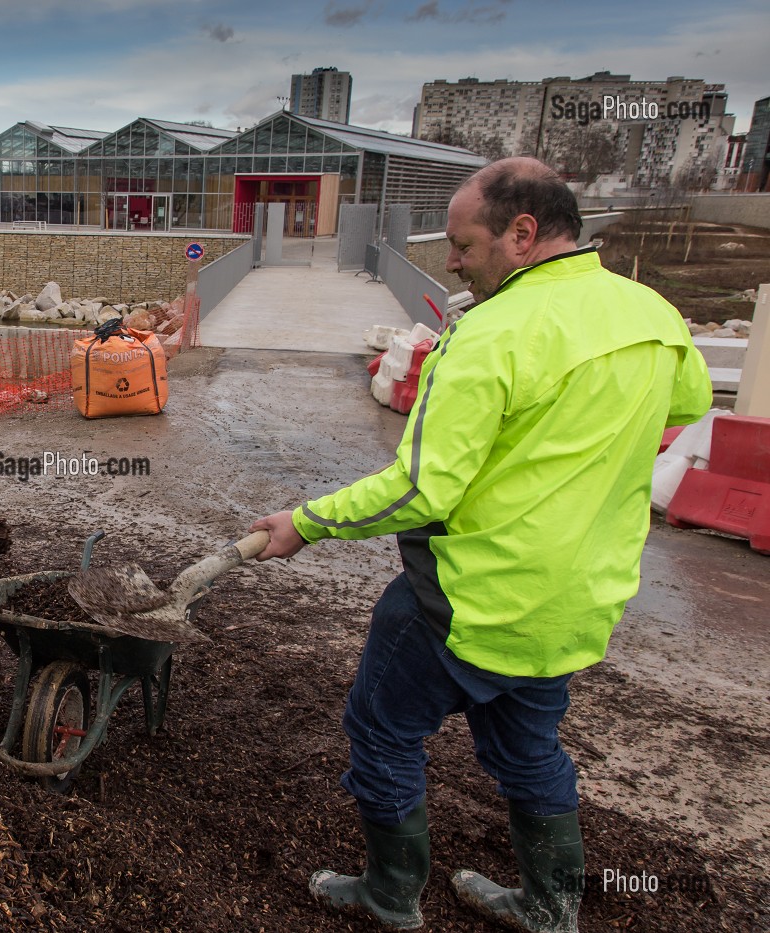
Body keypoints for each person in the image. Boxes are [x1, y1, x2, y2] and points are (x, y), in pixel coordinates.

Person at [248, 157, 711, 931]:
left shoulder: (489, 333)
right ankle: (550, 906)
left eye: (463, 244)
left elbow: (420, 487)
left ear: (522, 234)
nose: (452, 261)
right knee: (530, 752)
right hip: (570, 602)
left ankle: (392, 894)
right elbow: (687, 403)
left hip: (464, 599)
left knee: (382, 729)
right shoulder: (652, 315)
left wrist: (307, 521)